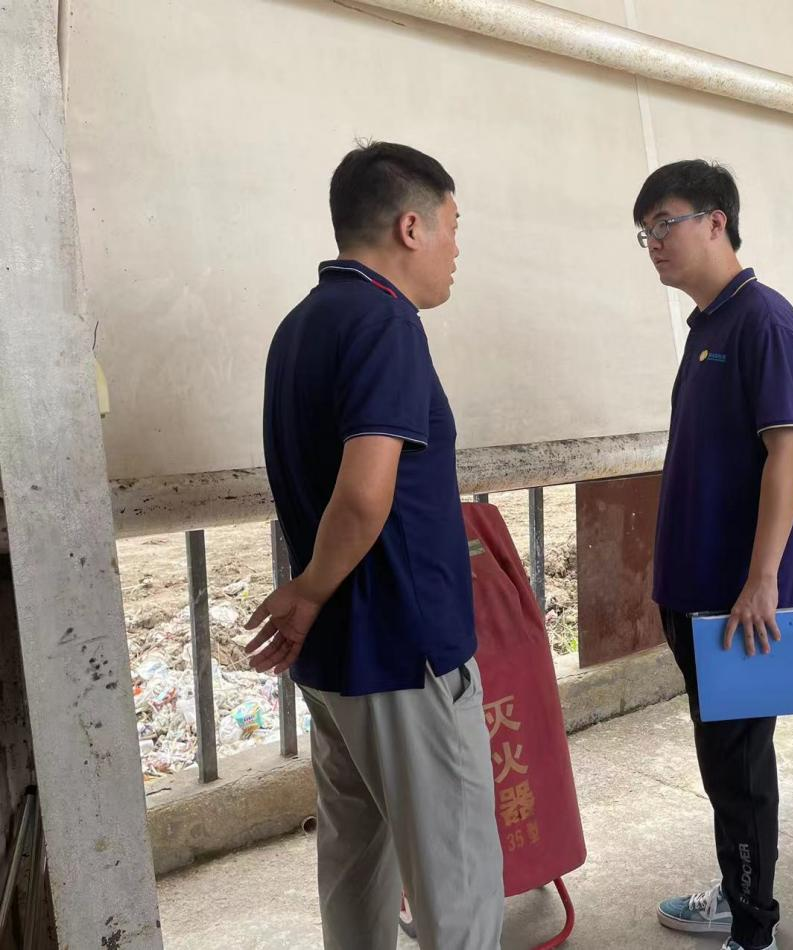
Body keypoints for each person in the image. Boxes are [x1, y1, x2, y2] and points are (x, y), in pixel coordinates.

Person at [246, 142, 502, 950]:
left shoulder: (300, 325)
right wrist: (310, 589)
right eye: (453, 227)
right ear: (410, 227)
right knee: (457, 886)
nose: (457, 249)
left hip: (336, 662)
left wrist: (314, 597)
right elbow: (364, 492)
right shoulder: (386, 322)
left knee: (356, 868)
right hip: (403, 652)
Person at [632, 160, 793, 950]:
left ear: (717, 222)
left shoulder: (763, 322)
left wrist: (762, 581)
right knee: (724, 762)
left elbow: (789, 450)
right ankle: (738, 892)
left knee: (740, 771)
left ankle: (754, 929)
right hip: (696, 591)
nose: (654, 242)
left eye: (666, 223)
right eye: (644, 233)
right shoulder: (708, 326)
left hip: (738, 600)